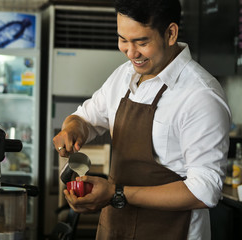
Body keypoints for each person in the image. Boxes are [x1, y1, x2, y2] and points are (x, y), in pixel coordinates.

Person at [53, 0, 231, 239]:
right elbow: (86, 117)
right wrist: (72, 128)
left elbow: (205, 190)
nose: (130, 52)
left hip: (171, 232)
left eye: (141, 42)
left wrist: (117, 193)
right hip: (116, 228)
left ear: (170, 33)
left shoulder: (200, 95)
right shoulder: (124, 75)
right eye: (123, 40)